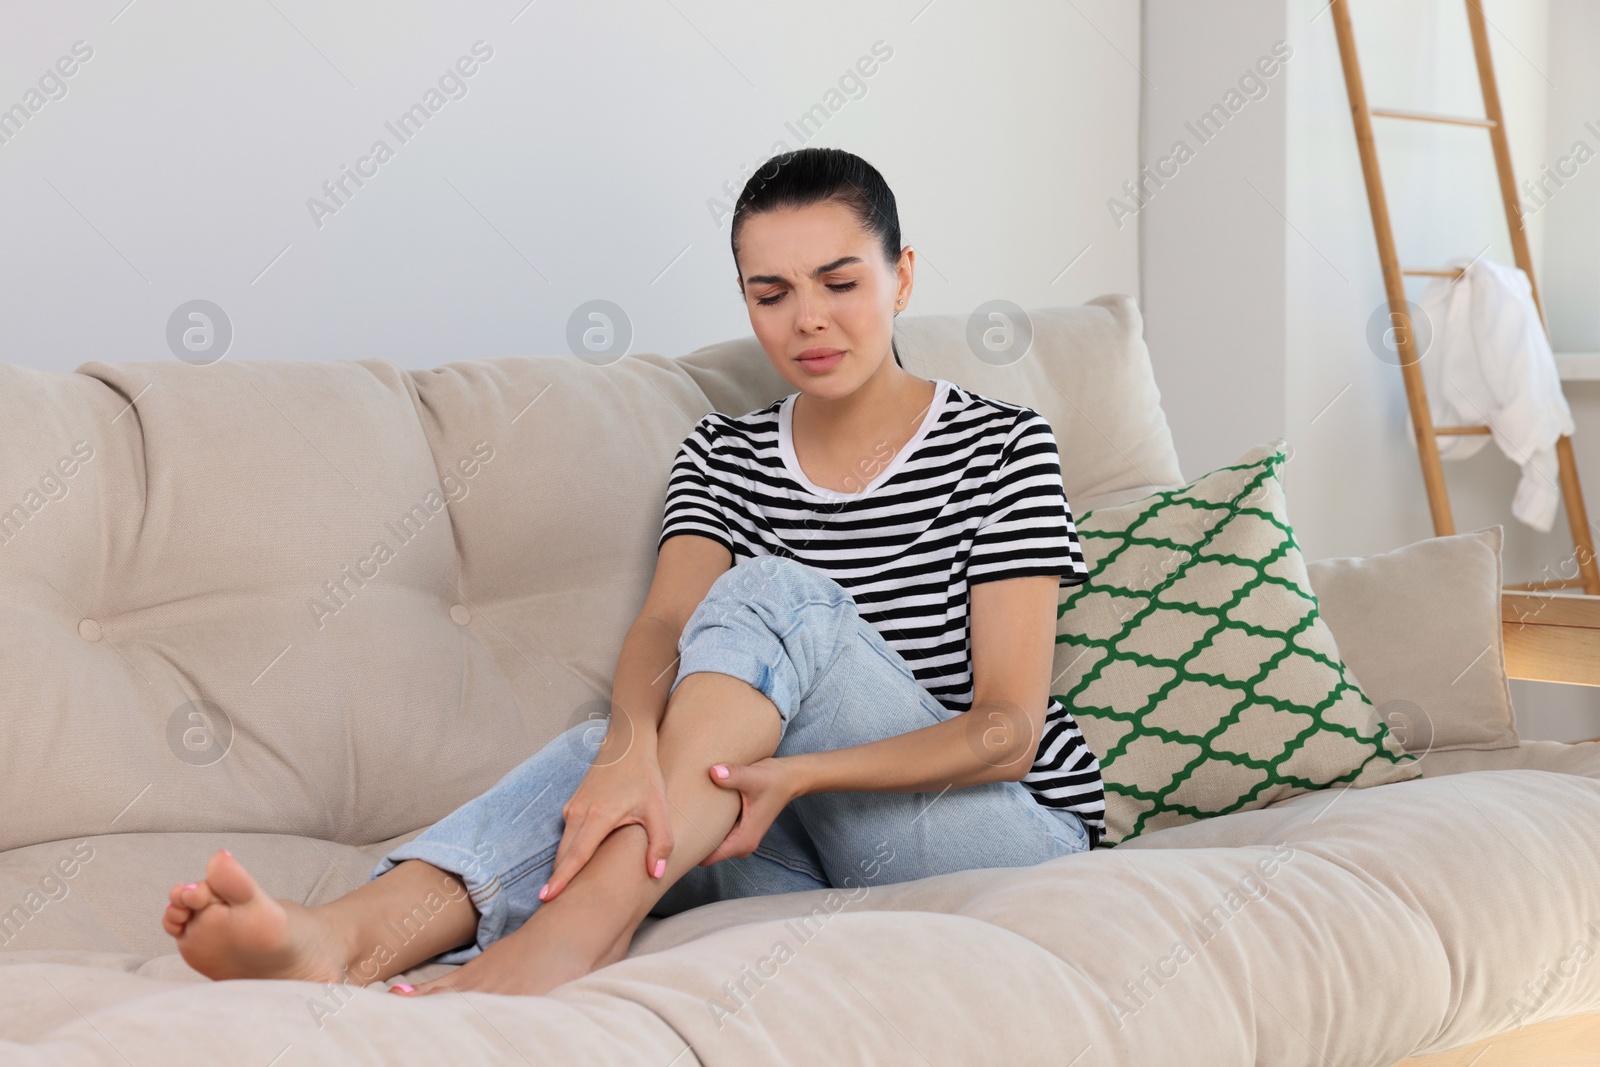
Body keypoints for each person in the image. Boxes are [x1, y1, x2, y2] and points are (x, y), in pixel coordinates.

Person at [159, 146, 1105, 998]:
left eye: (839, 281)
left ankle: (573, 936)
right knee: (609, 761)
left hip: (988, 835)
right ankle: (339, 938)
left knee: (772, 594)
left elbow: (1007, 730)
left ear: (901, 280)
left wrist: (797, 773)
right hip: (781, 845)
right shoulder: (723, 453)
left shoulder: (1004, 444)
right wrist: (627, 756)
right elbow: (661, 628)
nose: (808, 319)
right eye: (770, 293)